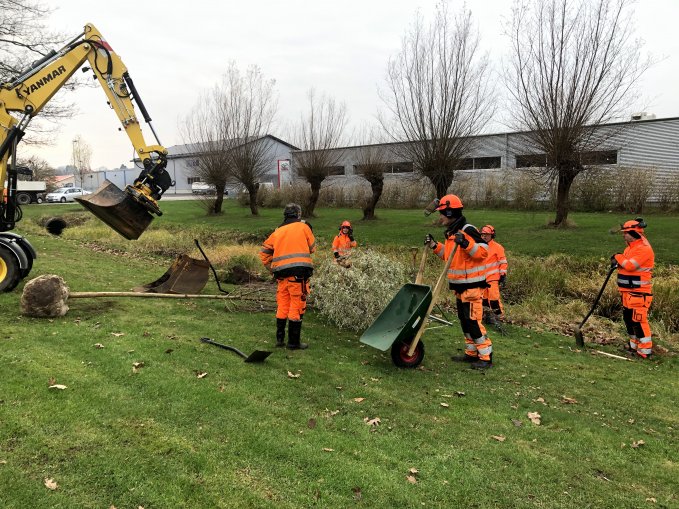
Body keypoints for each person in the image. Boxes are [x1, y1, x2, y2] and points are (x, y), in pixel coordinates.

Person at [424, 194, 493, 369]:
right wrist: (434, 245)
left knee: (473, 321)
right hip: (460, 286)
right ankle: (471, 353)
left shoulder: (467, 230)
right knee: (464, 320)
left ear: (450, 212)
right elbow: (448, 258)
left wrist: (466, 244)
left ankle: (486, 356)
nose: (439, 217)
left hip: (472, 286)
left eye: (441, 213)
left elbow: (484, 252)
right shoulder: (451, 234)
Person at [259, 203, 316, 350]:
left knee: (283, 304)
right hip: (298, 274)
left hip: (281, 275)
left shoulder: (277, 231)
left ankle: (279, 339)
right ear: (298, 214)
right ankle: (293, 342)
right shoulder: (304, 227)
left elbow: (264, 253)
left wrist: (271, 269)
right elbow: (312, 248)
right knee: (296, 305)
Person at [612, 218, 655, 359]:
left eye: (625, 233)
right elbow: (624, 265)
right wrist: (617, 262)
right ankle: (634, 345)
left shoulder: (643, 249)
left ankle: (645, 351)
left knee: (638, 320)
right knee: (628, 319)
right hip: (627, 291)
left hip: (638, 292)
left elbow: (630, 266)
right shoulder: (630, 248)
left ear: (633, 233)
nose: (623, 235)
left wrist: (617, 257)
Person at [480, 225, 507, 322]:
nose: (484, 236)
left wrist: (503, 275)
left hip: (493, 278)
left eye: (486, 235)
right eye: (483, 234)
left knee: (494, 298)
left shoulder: (497, 247)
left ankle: (499, 316)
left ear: (492, 235)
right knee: (484, 299)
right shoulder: (480, 246)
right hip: (482, 278)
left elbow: (503, 262)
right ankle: (486, 316)